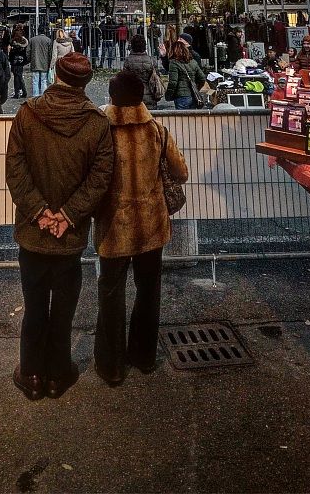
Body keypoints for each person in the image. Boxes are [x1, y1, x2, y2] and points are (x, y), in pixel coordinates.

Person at [5, 52, 114, 401]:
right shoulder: (97, 123)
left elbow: (15, 170)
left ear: (55, 74)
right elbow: (100, 178)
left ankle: (31, 373)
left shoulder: (27, 113)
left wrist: (39, 213)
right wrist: (67, 215)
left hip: (33, 232)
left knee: (34, 304)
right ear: (86, 82)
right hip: (70, 233)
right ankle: (57, 373)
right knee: (64, 306)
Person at [93, 70, 188, 385]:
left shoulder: (101, 133)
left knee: (111, 292)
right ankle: (144, 356)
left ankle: (112, 365)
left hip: (113, 227)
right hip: (151, 225)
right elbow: (181, 172)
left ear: (112, 98)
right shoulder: (156, 130)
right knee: (148, 291)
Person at [165, 38, 207, 110]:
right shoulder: (193, 62)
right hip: (193, 95)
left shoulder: (173, 63)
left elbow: (173, 83)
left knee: (182, 116)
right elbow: (202, 78)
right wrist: (196, 88)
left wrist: (168, 95)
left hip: (181, 96)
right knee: (191, 116)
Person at [122, 34, 162, 108]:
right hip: (149, 96)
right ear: (144, 46)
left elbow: (124, 81)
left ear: (132, 46)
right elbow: (157, 78)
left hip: (133, 96)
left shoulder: (128, 61)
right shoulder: (151, 60)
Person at [28, 24, 52, 99]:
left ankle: (35, 96)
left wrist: (29, 60)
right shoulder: (48, 40)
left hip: (35, 62)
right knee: (44, 80)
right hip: (45, 63)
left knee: (35, 80)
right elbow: (50, 53)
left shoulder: (32, 40)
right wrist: (50, 63)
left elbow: (28, 51)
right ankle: (43, 96)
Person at [9, 24, 29, 99]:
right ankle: (23, 92)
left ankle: (18, 93)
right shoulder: (24, 37)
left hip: (14, 58)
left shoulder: (14, 37)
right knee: (19, 75)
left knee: (17, 76)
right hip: (21, 59)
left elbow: (10, 42)